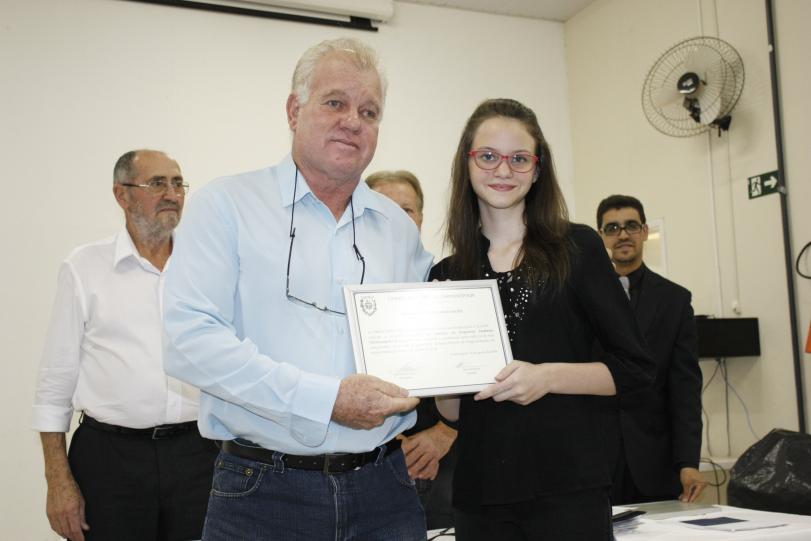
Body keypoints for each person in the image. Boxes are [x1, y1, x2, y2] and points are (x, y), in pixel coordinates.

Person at [162, 38, 433, 540]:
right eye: (335, 102)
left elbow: (427, 340)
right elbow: (189, 344)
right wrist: (326, 399)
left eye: (369, 112)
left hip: (385, 491)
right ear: (294, 110)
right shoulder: (226, 206)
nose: (353, 121)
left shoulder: (398, 228)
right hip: (262, 492)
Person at [433, 99, 655, 541]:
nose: (503, 170)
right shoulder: (446, 274)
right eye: (488, 156)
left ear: (537, 170)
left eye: (519, 158)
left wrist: (546, 377)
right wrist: (436, 370)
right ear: (467, 163)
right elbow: (453, 410)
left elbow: (635, 369)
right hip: (480, 496)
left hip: (567, 489)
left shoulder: (577, 248)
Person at [32, 150, 217, 541]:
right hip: (110, 460)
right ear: (122, 194)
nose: (172, 194)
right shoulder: (84, 267)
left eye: (178, 183)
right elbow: (54, 382)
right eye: (157, 183)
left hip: (198, 455)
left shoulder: (208, 264)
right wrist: (57, 480)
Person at [596, 194, 705, 504]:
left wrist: (687, 462)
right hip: (595, 461)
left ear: (644, 232)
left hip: (655, 462)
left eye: (631, 225)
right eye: (613, 228)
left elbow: (684, 387)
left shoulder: (675, 300)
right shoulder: (580, 298)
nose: (623, 235)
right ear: (601, 236)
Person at [366, 170, 457, 529]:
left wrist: (446, 433)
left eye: (406, 209)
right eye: (384, 207)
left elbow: (484, 372)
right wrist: (389, 443)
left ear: (420, 217)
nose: (396, 218)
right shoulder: (336, 293)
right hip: (366, 462)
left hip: (447, 461)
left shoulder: (450, 282)